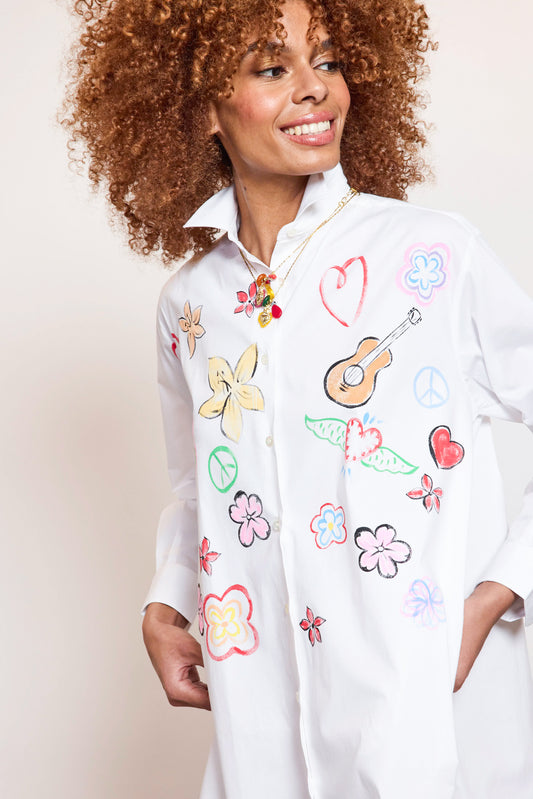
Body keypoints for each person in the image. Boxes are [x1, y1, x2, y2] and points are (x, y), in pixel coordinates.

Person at [62, 0, 533, 796]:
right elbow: (199, 486)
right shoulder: (189, 306)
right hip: (261, 728)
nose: (314, 88)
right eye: (271, 68)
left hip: (422, 726)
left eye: (329, 61)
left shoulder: (431, 256)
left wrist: (493, 596)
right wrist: (164, 605)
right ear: (203, 108)